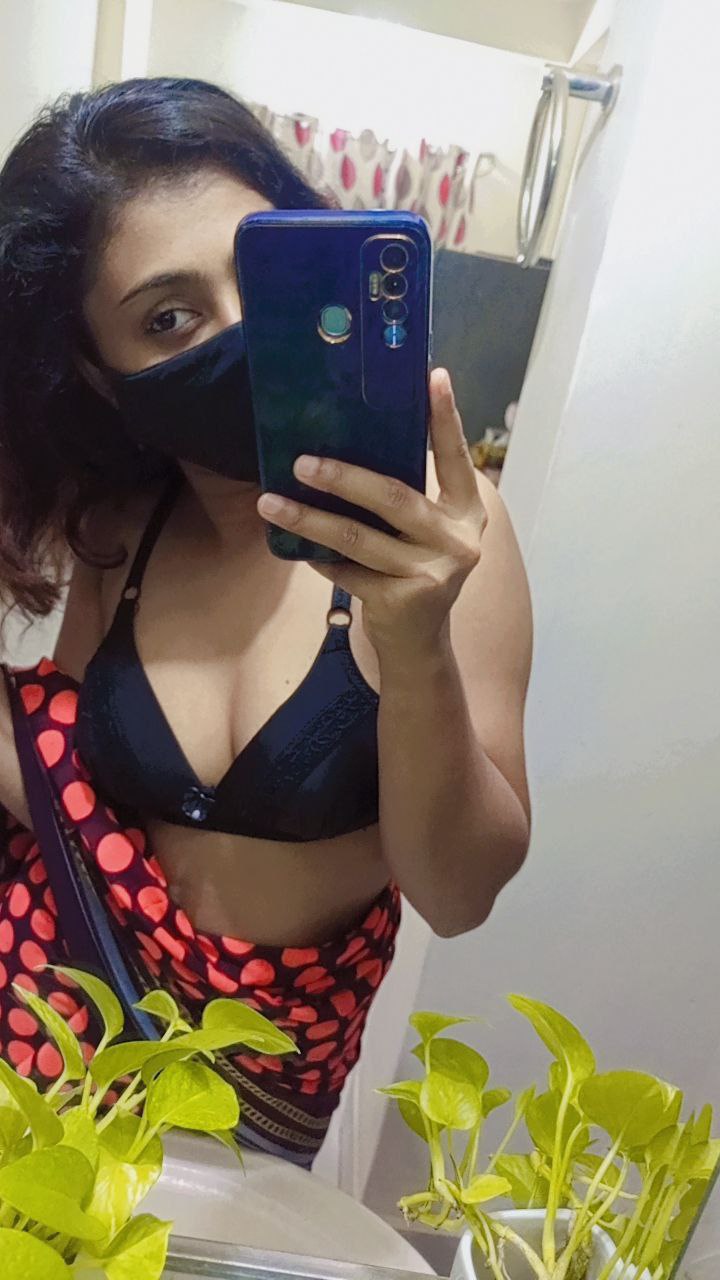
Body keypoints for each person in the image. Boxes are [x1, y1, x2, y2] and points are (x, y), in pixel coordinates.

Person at [0, 78, 532, 1165]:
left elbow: (459, 892)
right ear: (102, 377)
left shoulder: (443, 528)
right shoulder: (124, 534)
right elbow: (72, 807)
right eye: (169, 317)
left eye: (261, 275)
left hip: (260, 1123)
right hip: (57, 1059)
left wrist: (417, 645)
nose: (240, 332)